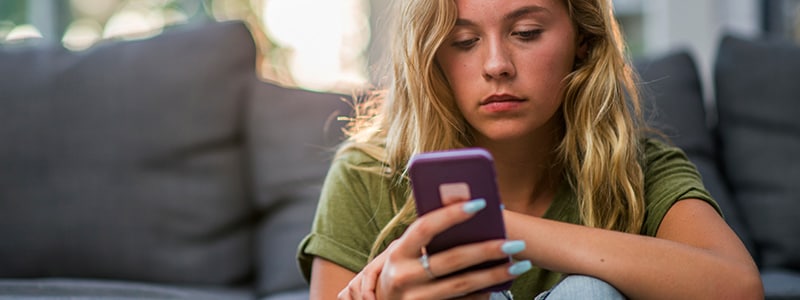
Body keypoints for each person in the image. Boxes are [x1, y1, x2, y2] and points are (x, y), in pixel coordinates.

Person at [298, 0, 764, 299]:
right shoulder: (368, 171)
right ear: (433, 56)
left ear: (583, 41)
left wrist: (497, 228)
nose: (496, 65)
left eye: (526, 33)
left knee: (587, 294)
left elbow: (738, 287)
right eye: (464, 41)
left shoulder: (637, 168)